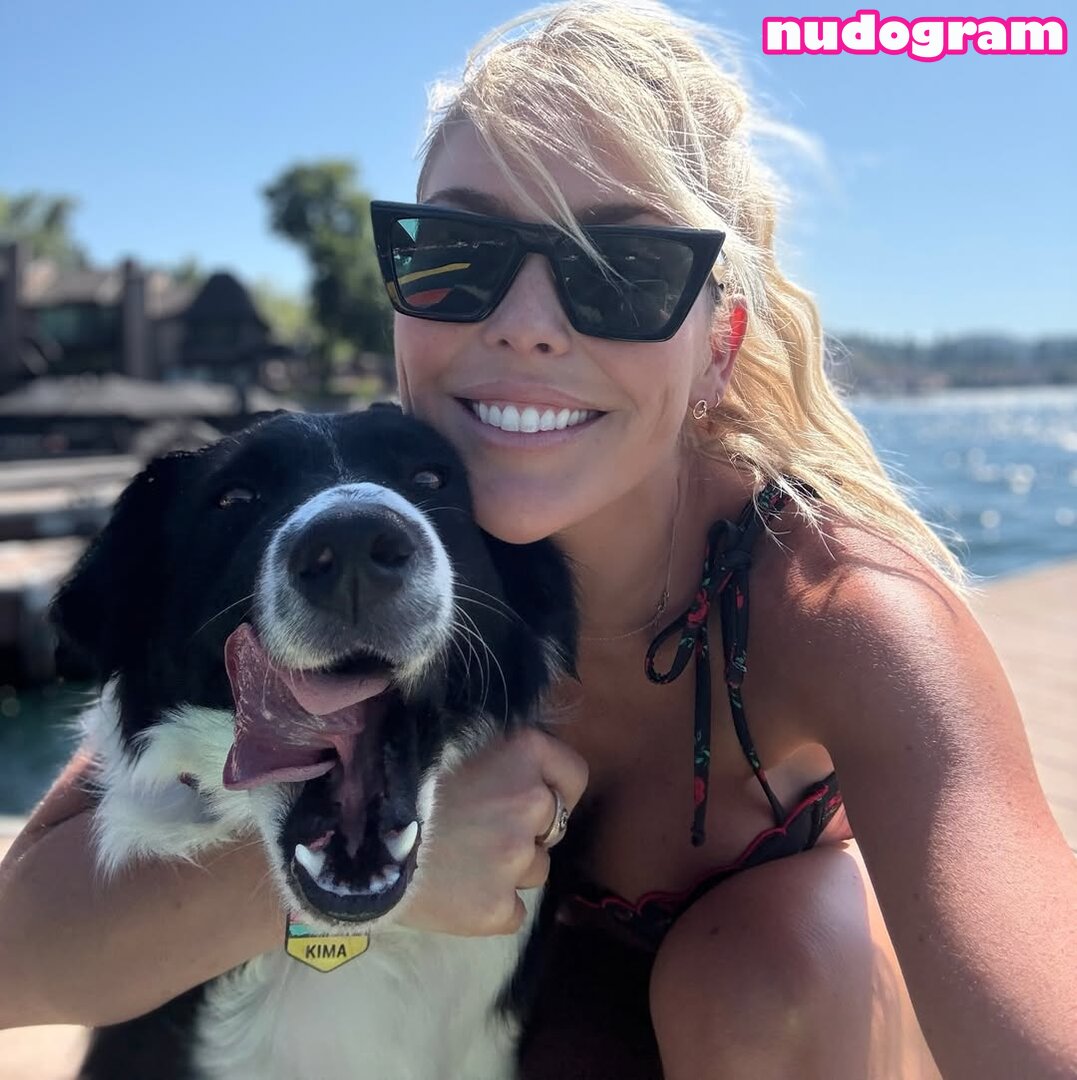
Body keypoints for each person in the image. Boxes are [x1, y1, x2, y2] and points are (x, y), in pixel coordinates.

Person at [2, 3, 1075, 1077]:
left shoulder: (836, 610)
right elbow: (20, 952)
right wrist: (388, 861)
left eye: (620, 267)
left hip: (757, 1032)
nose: (522, 323)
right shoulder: (367, 550)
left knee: (762, 978)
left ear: (719, 347)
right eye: (454, 253)